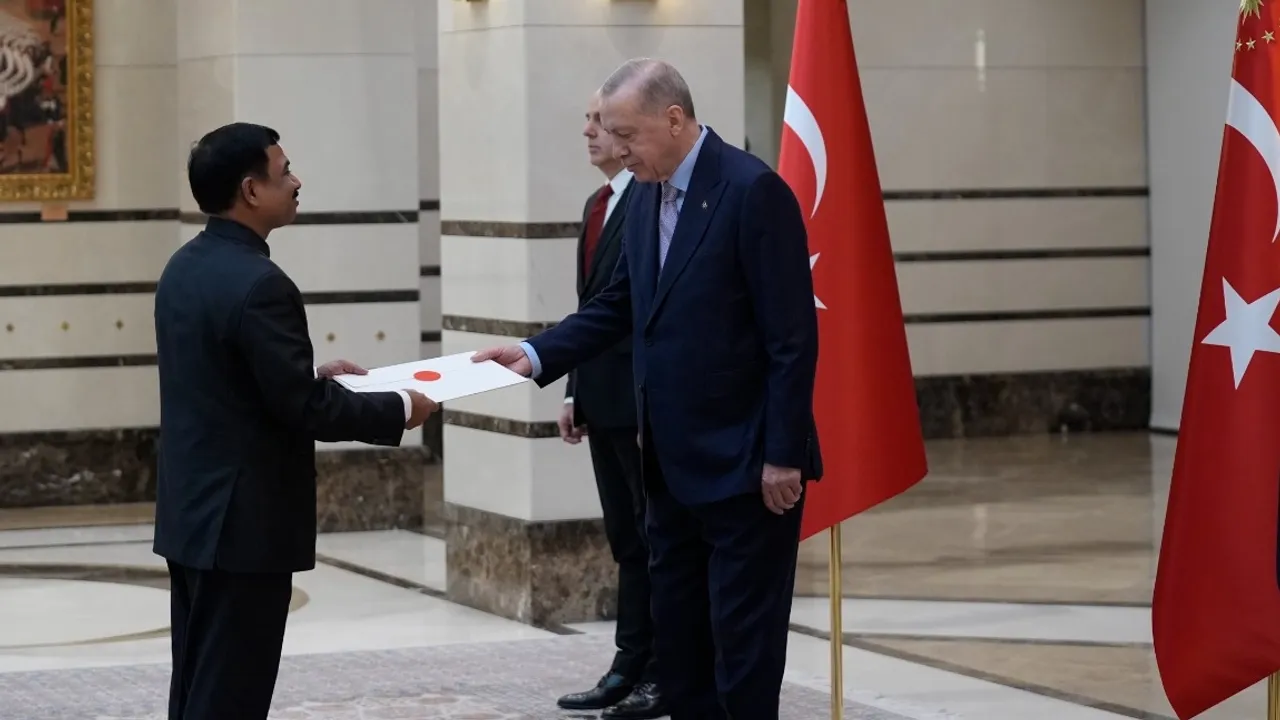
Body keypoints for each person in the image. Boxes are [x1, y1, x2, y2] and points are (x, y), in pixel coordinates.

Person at [473, 59, 822, 720]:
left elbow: (791, 339)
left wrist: (783, 454)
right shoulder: (642, 197)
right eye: (610, 132)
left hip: (747, 466)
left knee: (742, 649)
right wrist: (535, 353)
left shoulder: (751, 191)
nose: (617, 148)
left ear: (674, 118)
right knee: (681, 645)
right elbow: (619, 304)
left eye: (626, 134)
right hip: (666, 465)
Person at [152, 122, 438, 720]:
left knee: (198, 684)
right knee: (231, 695)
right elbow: (302, 408)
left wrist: (310, 377)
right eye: (284, 172)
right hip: (243, 526)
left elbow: (230, 383)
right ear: (251, 190)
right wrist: (400, 408)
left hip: (193, 514)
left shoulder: (184, 266)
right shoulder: (261, 283)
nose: (297, 181)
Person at [554, 90, 667, 719]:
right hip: (601, 399)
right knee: (626, 540)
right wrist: (574, 387)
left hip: (643, 402)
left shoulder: (651, 199)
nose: (590, 132)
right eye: (589, 120)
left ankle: (661, 670)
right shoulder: (598, 204)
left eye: (601, 121)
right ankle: (629, 663)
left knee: (657, 540)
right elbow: (592, 309)